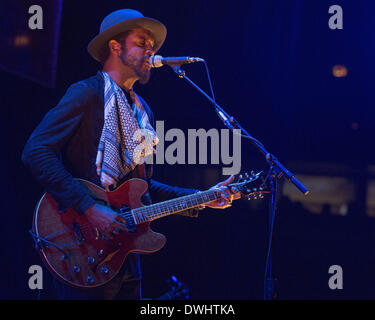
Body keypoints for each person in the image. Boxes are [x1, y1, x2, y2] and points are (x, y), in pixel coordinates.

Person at [22, 9, 234, 300]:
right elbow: (36, 151)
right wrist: (90, 207)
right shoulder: (87, 94)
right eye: (142, 41)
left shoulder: (142, 111)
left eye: (153, 44)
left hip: (124, 255)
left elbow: (143, 190)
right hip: (81, 248)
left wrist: (203, 196)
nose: (152, 49)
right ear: (115, 46)